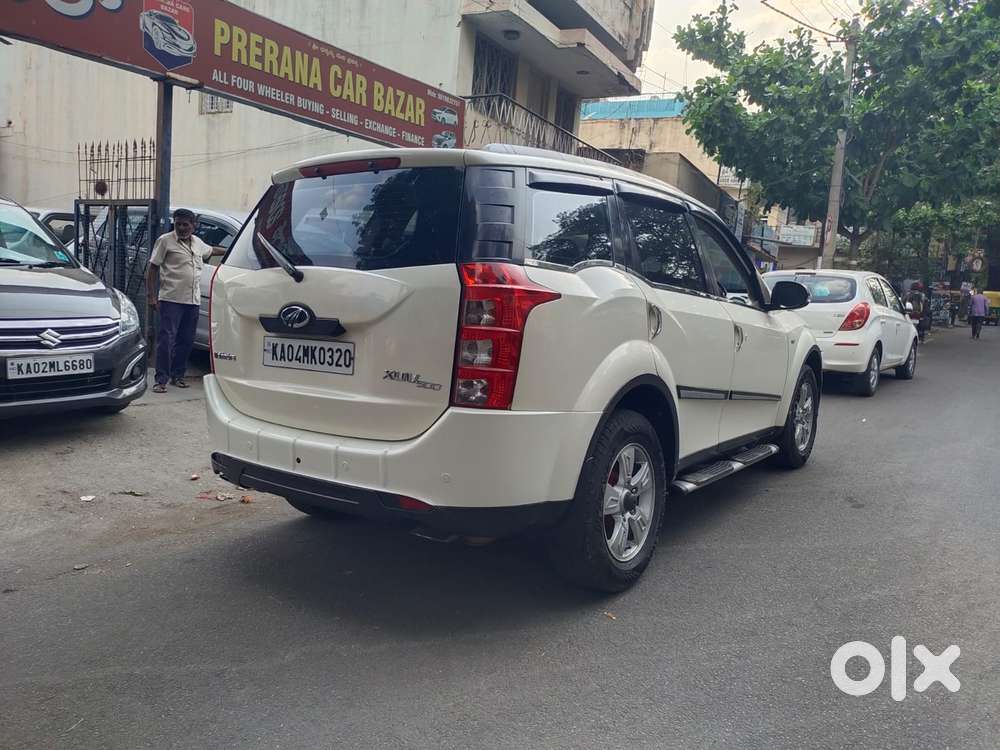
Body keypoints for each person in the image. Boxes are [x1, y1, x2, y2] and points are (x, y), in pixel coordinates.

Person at [146, 208, 222, 393]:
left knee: (186, 340)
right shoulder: (165, 241)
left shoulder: (198, 243)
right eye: (178, 224)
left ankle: (178, 376)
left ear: (193, 226)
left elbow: (212, 250)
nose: (181, 228)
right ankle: (161, 380)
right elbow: (153, 269)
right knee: (166, 340)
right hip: (171, 299)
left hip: (192, 301)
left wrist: (237, 249)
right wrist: (151, 296)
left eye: (185, 224)